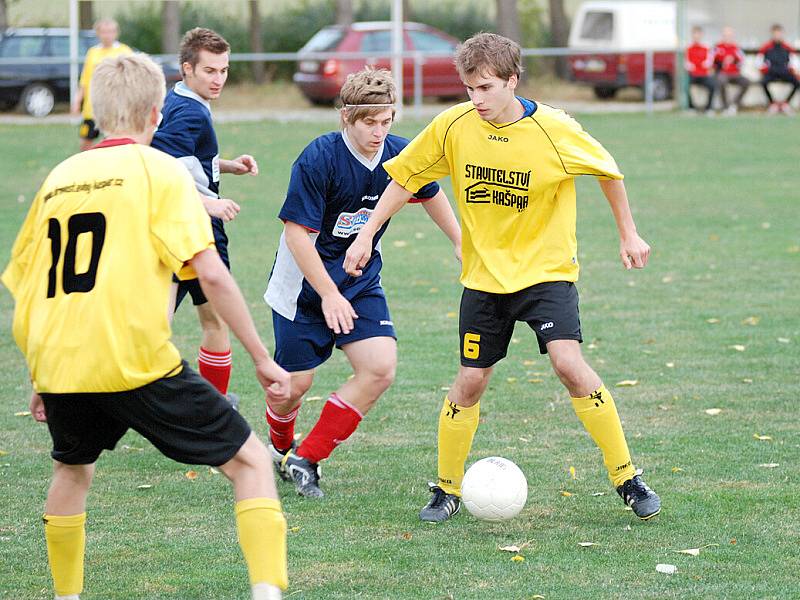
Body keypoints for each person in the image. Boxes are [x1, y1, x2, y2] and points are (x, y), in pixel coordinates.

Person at [2, 54, 290, 600]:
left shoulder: (59, 177)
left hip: (64, 361)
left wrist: (40, 374)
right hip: (134, 357)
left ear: (95, 110)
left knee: (72, 470)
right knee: (250, 460)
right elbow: (211, 273)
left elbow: (31, 288)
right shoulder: (159, 172)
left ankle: (66, 597)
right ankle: (267, 593)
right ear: (157, 112)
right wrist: (260, 356)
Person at [344, 33, 661, 523]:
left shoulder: (554, 129)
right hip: (484, 279)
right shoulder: (454, 126)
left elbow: (608, 172)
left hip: (545, 274)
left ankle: (627, 477)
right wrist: (367, 233)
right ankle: (446, 488)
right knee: (470, 380)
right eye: (469, 88)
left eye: (486, 88)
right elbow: (405, 177)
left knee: (568, 364)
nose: (476, 99)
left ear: (513, 81)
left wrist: (629, 234)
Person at [263, 67, 461, 498]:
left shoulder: (399, 154)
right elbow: (297, 235)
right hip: (302, 287)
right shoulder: (320, 157)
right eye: (368, 122)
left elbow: (431, 193)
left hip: (358, 281)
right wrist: (328, 294)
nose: (378, 131)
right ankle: (280, 444)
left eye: (385, 120)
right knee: (293, 388)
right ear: (346, 118)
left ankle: (306, 458)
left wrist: (461, 243)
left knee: (379, 368)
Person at [152, 28, 257, 405]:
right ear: (187, 69)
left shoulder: (183, 100)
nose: (219, 79)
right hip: (193, 224)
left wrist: (228, 166)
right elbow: (164, 169)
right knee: (181, 320)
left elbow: (188, 160)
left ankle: (212, 402)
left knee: (193, 318)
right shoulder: (187, 111)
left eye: (224, 70)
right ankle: (202, 403)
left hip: (181, 220)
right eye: (210, 71)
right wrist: (207, 203)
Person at [70, 18, 132, 151]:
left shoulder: (124, 51)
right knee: (86, 144)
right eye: (104, 32)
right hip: (92, 109)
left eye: (110, 32)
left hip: (115, 108)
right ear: (98, 33)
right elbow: (85, 79)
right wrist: (77, 100)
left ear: (116, 33)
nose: (107, 35)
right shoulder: (93, 52)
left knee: (113, 143)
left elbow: (131, 79)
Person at [757, 24, 800, 115]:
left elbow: (794, 61)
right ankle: (772, 104)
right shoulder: (766, 47)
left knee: (797, 82)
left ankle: (786, 103)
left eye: (779, 33)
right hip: (771, 72)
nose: (777, 35)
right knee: (763, 82)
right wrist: (764, 70)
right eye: (775, 33)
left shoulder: (787, 47)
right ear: (772, 34)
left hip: (785, 72)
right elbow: (759, 61)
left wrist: (794, 70)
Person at [713, 27, 750, 115]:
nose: (727, 37)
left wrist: (733, 61)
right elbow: (712, 62)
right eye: (726, 35)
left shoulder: (736, 48)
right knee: (721, 81)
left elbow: (742, 61)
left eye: (729, 35)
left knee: (746, 82)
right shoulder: (717, 47)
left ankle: (734, 105)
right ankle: (725, 107)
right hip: (722, 73)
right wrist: (722, 63)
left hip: (735, 73)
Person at [685, 26, 717, 114]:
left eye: (698, 34)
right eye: (694, 34)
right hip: (693, 75)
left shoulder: (706, 48)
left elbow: (708, 63)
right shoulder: (689, 48)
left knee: (713, 85)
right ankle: (691, 107)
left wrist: (699, 65)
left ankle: (709, 108)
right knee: (685, 85)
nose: (696, 36)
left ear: (701, 35)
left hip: (704, 75)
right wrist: (698, 65)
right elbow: (688, 64)